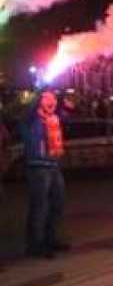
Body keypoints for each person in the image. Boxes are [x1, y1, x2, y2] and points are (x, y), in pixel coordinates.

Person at [19, 91, 69, 258]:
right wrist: (40, 91)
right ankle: (35, 245)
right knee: (39, 207)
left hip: (53, 165)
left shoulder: (54, 118)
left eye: (53, 99)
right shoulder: (31, 119)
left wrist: (61, 97)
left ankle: (50, 239)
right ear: (39, 102)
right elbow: (29, 110)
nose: (52, 102)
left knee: (57, 204)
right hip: (37, 167)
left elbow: (67, 110)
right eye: (47, 98)